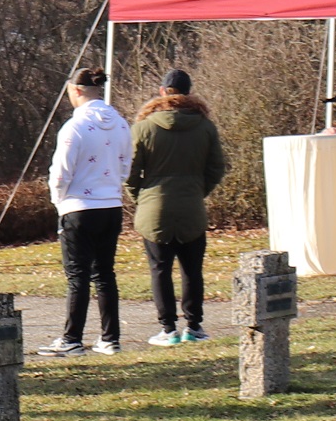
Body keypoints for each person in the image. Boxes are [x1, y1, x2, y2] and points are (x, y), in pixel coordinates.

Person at [132, 68, 228, 346]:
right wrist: (199, 191)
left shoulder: (143, 127)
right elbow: (216, 168)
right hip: (191, 207)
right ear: (189, 92)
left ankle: (168, 329)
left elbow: (128, 171)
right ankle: (194, 326)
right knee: (192, 269)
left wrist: (141, 197)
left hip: (153, 208)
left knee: (160, 269)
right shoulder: (205, 126)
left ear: (162, 91)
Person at [43, 67, 132, 357]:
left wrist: (59, 201)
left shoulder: (74, 127)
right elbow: (125, 167)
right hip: (111, 204)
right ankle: (110, 338)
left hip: (79, 206)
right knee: (105, 273)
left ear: (77, 91)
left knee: (77, 275)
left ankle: (72, 339)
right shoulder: (120, 123)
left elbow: (60, 172)